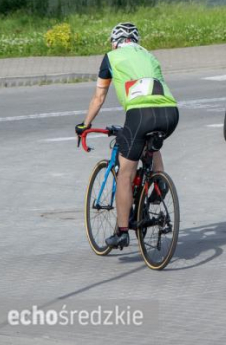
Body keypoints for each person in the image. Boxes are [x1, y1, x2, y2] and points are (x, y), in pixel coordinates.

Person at [75, 23, 179, 249]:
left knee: (125, 174)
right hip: (170, 113)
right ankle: (159, 182)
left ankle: (122, 231)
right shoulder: (149, 56)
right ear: (136, 41)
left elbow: (99, 97)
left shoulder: (111, 57)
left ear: (115, 41)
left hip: (140, 115)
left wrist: (85, 125)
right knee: (151, 144)